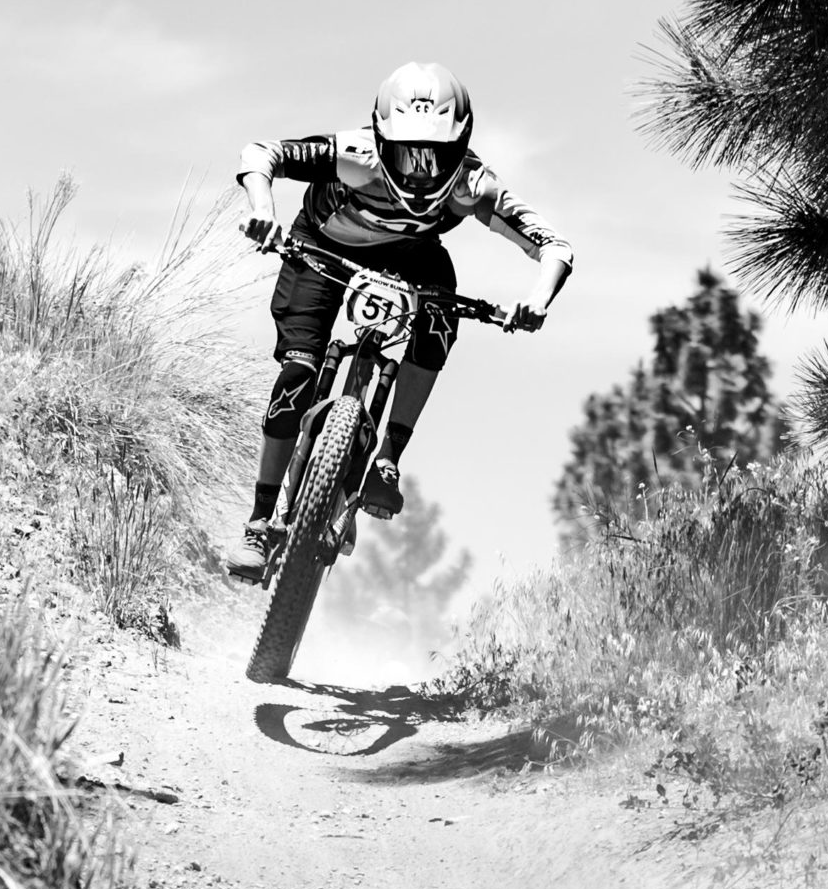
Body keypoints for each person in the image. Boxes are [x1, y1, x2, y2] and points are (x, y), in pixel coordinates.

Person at [226, 61, 574, 580]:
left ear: (462, 145)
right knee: (298, 374)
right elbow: (262, 153)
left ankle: (386, 455)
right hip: (322, 242)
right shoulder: (354, 154)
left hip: (412, 254)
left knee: (440, 313)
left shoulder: (474, 185)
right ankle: (260, 522)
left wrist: (537, 301)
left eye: (436, 157)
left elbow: (555, 246)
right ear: (379, 137)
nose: (419, 171)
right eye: (408, 152)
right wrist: (262, 209)